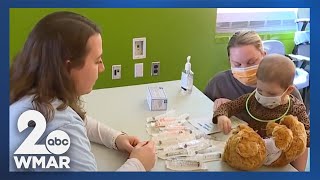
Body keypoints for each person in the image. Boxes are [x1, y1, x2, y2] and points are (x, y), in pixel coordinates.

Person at [9, 11, 156, 171]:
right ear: (67, 68)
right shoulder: (64, 130)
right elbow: (67, 122)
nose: (102, 68)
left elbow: (74, 117)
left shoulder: (25, 91)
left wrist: (115, 138)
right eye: (97, 61)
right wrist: (139, 163)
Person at [212, 54, 310, 171]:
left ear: (288, 90)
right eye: (260, 90)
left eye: (271, 94)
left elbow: (308, 134)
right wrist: (222, 116)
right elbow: (228, 106)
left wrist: (285, 139)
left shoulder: (296, 108)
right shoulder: (251, 99)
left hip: (278, 161)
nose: (263, 96)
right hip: (250, 153)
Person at [204, 30, 303, 114]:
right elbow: (200, 114)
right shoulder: (218, 84)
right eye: (237, 64)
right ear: (229, 60)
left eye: (251, 62)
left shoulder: (285, 89)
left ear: (264, 55)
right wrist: (218, 107)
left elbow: (303, 129)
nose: (245, 69)